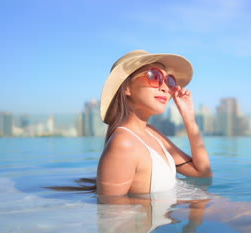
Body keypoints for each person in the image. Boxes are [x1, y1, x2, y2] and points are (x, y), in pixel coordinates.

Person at [49, 50, 212, 194]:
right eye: (154, 76)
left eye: (169, 81)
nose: (164, 88)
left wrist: (188, 117)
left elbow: (202, 173)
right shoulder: (124, 143)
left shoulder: (152, 133)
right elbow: (112, 215)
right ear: (126, 87)